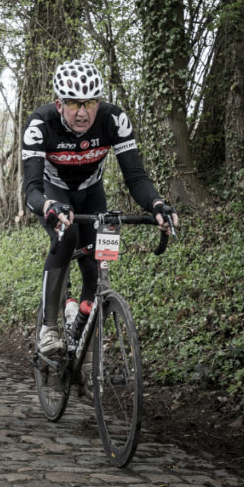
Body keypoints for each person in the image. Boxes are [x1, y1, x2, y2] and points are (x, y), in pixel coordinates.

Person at [22, 60, 179, 357]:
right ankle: (49, 327)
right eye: (73, 104)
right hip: (54, 193)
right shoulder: (40, 124)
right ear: (59, 104)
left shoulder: (113, 119)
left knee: (98, 259)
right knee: (66, 237)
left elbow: (135, 177)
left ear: (100, 101)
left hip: (92, 193)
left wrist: (156, 204)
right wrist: (48, 206)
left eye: (90, 102)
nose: (82, 113)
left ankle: (80, 324)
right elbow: (31, 189)